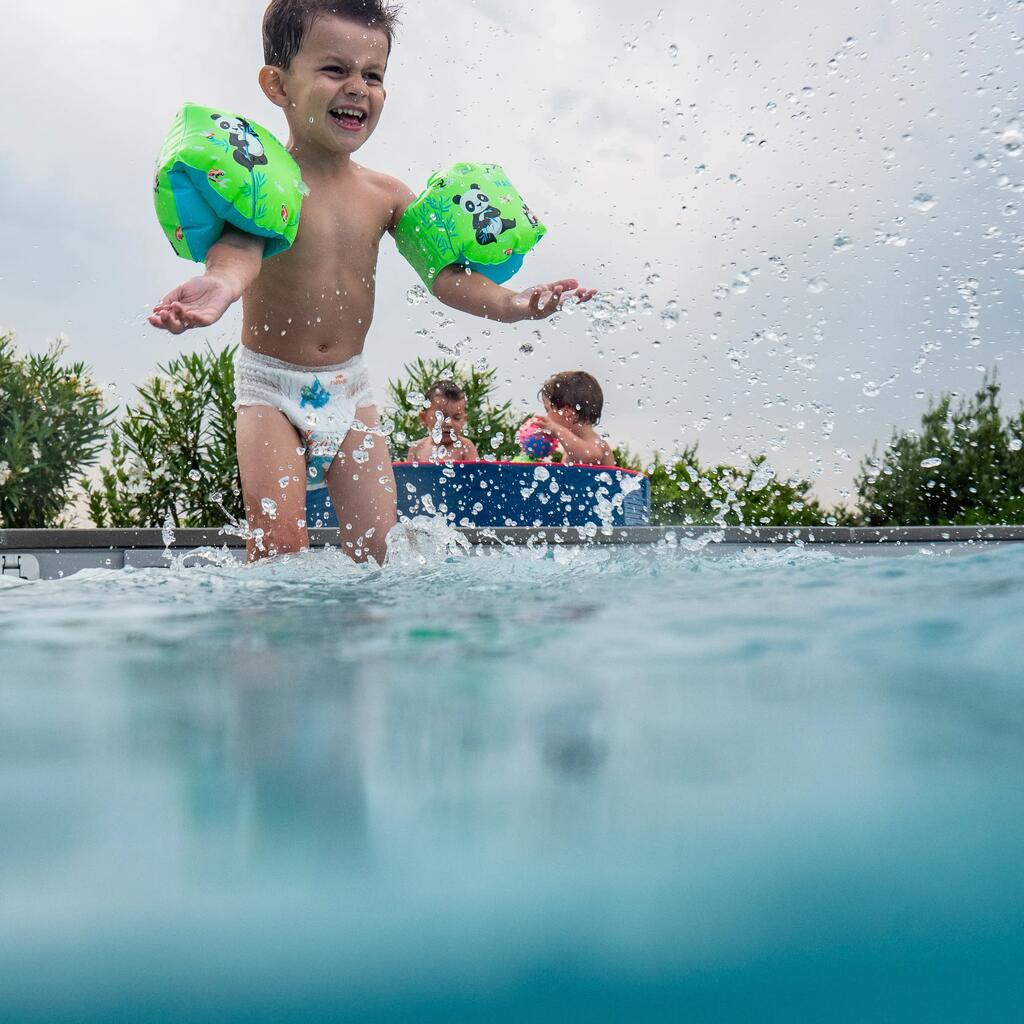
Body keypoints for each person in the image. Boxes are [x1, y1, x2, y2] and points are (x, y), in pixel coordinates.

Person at [148, 0, 596, 564]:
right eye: (335, 70)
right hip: (271, 390)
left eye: (373, 75)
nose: (358, 87)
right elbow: (239, 254)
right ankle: (274, 649)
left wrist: (515, 303)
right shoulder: (265, 188)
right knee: (279, 545)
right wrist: (218, 287)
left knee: (380, 551)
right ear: (277, 84)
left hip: (350, 392)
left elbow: (447, 278)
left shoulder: (385, 195)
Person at [534, 371, 615, 467]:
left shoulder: (599, 444)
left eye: (547, 410)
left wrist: (557, 430)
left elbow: (589, 456)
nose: (547, 417)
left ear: (566, 411)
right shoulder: (572, 448)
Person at [406, 380, 480, 463]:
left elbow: (476, 474)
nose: (449, 423)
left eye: (457, 418)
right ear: (424, 418)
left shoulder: (465, 447)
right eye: (440, 417)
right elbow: (409, 475)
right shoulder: (417, 448)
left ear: (464, 420)